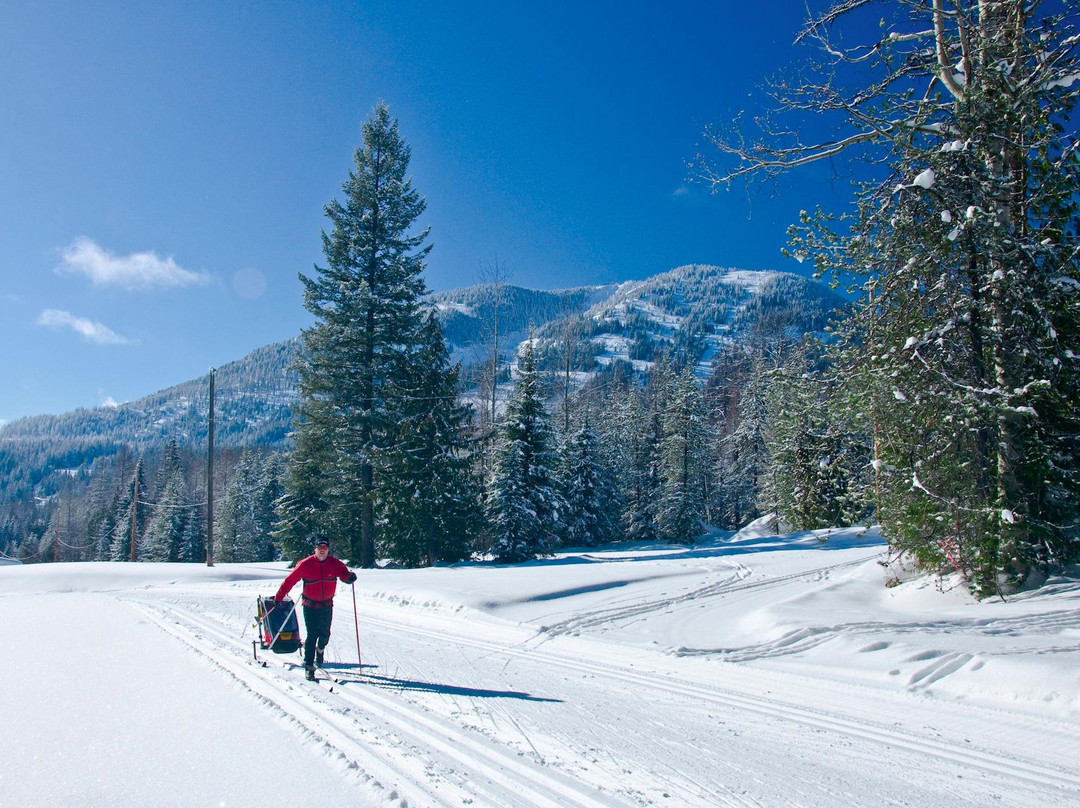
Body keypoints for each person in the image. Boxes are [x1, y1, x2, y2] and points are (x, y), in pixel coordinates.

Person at [275, 536, 356, 680]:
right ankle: (309, 667)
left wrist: (349, 577)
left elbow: (344, 575)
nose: (322, 550)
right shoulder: (305, 564)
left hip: (327, 605)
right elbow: (290, 580)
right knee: (312, 635)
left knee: (325, 634)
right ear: (315, 549)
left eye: (325, 548)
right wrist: (279, 597)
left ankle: (320, 650)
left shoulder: (335, 564)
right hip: (310, 605)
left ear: (328, 549)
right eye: (320, 548)